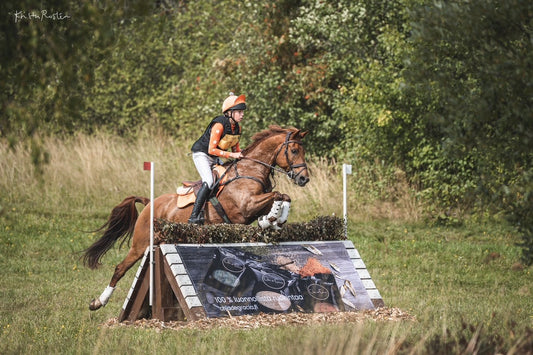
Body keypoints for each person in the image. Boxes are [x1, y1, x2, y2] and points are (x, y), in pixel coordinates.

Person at [188, 93, 246, 224]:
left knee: (227, 179)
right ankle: (194, 216)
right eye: (239, 112)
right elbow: (211, 150)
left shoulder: (237, 128)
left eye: (242, 112)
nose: (242, 115)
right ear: (229, 113)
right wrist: (232, 155)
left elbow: (236, 150)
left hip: (216, 158)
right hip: (202, 154)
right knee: (208, 181)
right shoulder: (219, 124)